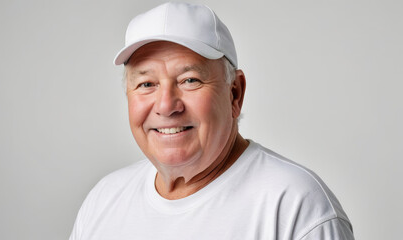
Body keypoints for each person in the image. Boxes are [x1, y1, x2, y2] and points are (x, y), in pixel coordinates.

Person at [70, 2, 354, 239]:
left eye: (189, 80)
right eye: (146, 84)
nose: (166, 105)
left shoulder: (296, 206)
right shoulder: (104, 200)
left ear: (235, 93)